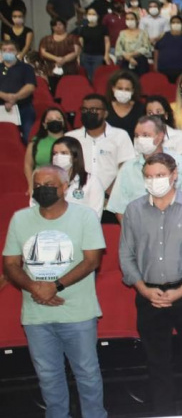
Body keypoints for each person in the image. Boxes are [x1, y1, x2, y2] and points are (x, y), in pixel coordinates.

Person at [2, 165, 107, 418]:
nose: (43, 190)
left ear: (65, 187)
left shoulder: (85, 217)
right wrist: (36, 288)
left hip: (78, 313)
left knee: (88, 374)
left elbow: (92, 260)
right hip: (36, 315)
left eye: (49, 185)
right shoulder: (20, 219)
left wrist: (54, 286)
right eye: (38, 186)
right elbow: (10, 264)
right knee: (48, 377)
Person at [119, 152, 182, 416]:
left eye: (160, 175)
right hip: (148, 293)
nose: (154, 181)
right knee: (157, 362)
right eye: (149, 177)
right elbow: (126, 255)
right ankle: (163, 413)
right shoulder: (133, 210)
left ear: (174, 175)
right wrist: (143, 288)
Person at [107, 116, 182, 219]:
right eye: (136, 136)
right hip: (140, 230)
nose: (139, 140)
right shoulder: (127, 169)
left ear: (159, 137)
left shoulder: (180, 163)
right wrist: (133, 234)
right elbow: (120, 209)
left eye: (145, 135)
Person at [66, 94, 135, 192]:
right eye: (84, 110)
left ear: (105, 113)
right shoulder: (70, 137)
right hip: (77, 196)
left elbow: (126, 169)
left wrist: (109, 194)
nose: (88, 113)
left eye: (94, 110)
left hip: (111, 197)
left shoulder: (120, 135)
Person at [0, 39, 37, 143]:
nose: (7, 52)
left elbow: (30, 87)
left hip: (24, 107)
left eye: (11, 49)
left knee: (28, 137)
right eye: (4, 50)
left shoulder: (26, 68)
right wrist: (5, 96)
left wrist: (14, 98)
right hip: (1, 108)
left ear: (17, 51)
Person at [25, 107, 68, 192]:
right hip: (41, 185)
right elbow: (28, 165)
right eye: (50, 119)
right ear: (44, 124)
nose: (55, 121)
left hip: (66, 185)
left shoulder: (72, 140)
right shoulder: (35, 142)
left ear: (63, 122)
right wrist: (31, 185)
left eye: (58, 119)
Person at [39, 18, 82, 90]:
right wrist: (56, 59)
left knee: (70, 89)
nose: (57, 26)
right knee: (54, 90)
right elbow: (43, 52)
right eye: (55, 25)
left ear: (64, 25)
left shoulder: (72, 38)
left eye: (60, 24)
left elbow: (75, 52)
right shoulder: (46, 39)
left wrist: (63, 60)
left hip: (70, 69)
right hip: (51, 70)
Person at [154, 16, 182, 83]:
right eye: (173, 22)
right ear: (170, 24)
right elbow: (156, 49)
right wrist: (155, 64)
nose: (175, 24)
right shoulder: (163, 35)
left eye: (178, 22)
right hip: (164, 68)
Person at [105, 70, 144, 140]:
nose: (123, 92)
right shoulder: (105, 107)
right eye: (120, 88)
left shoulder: (141, 109)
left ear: (133, 91)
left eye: (127, 89)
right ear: (113, 88)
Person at [112, 11, 152, 76]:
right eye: (127, 19)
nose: (129, 21)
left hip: (140, 62)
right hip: (126, 62)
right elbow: (118, 50)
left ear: (136, 20)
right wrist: (129, 58)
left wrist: (132, 54)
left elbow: (146, 48)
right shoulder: (122, 33)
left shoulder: (143, 33)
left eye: (132, 19)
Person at [78, 8, 109, 81]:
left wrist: (106, 54)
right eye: (89, 14)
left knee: (96, 77)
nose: (91, 16)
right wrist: (78, 57)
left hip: (98, 56)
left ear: (98, 16)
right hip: (85, 56)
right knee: (87, 77)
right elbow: (80, 44)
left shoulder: (103, 28)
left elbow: (107, 42)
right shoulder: (83, 29)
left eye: (93, 14)